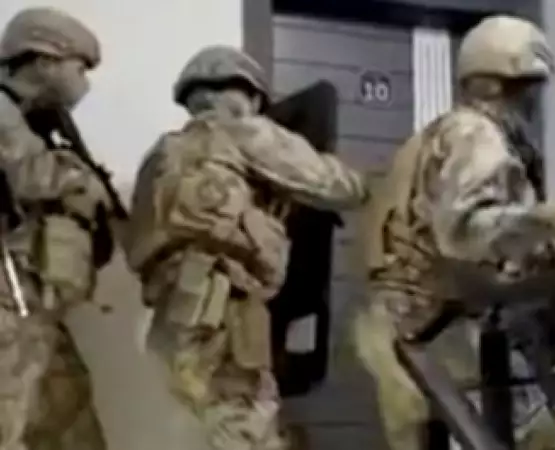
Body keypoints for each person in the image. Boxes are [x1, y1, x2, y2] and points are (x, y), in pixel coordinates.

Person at [351, 15, 555, 450]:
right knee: (544, 439)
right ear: (502, 85)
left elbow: (484, 231)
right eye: (529, 90)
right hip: (441, 331)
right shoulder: (476, 133)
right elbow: (466, 231)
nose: (533, 105)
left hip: (400, 331)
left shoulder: (431, 139)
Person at [123, 45, 368, 450]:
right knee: (245, 427)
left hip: (169, 316)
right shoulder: (246, 131)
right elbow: (340, 187)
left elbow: (135, 242)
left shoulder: (161, 154)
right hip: (225, 312)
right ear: (247, 94)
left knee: (188, 430)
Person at [0, 7, 119, 450]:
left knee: (67, 411)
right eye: (80, 67)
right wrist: (80, 178)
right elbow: (32, 176)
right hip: (10, 295)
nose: (83, 80)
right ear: (45, 61)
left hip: (32, 296)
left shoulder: (35, 118)